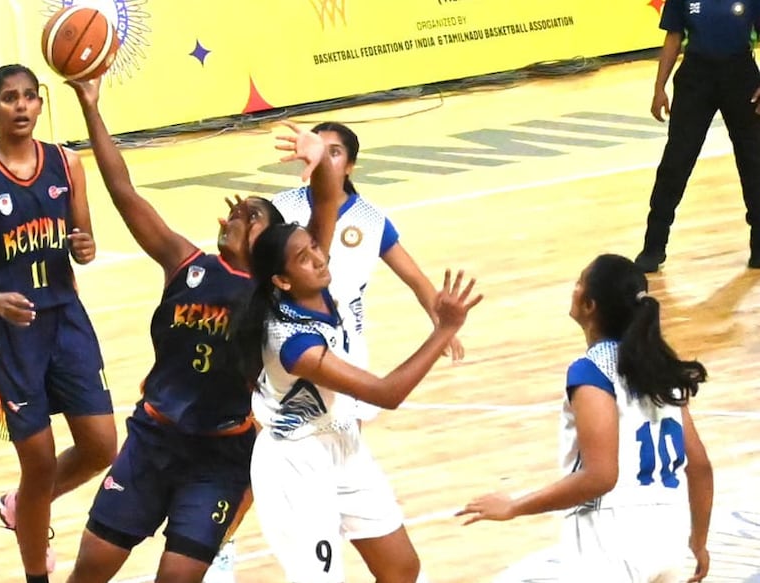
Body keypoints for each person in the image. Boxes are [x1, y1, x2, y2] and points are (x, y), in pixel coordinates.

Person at [62, 79, 343, 583]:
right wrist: (91, 106)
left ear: (271, 244)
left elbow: (322, 217)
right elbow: (122, 190)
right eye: (232, 210)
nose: (233, 215)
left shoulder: (274, 292)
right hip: (152, 440)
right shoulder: (185, 263)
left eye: (249, 214)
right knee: (89, 572)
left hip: (219, 457)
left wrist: (321, 161)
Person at [233, 175, 482, 582]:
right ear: (282, 280)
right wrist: (444, 330)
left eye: (315, 246)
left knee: (401, 567)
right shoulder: (294, 343)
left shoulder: (312, 282)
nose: (318, 257)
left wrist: (318, 160)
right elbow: (387, 394)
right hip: (295, 462)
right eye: (304, 257)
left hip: (343, 441)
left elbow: (328, 198)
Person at [0, 64, 117, 582]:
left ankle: (24, 506)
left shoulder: (67, 163)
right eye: (9, 99)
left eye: (29, 97)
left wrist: (86, 246)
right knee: (38, 463)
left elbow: (83, 243)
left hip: (64, 318)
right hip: (8, 335)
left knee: (102, 446)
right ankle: (36, 573)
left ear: (41, 104)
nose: (20, 107)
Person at [457, 254, 714, 583]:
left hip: (611, 539)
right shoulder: (660, 367)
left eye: (579, 283)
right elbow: (701, 465)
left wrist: (515, 506)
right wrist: (699, 541)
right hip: (669, 536)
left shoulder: (591, 370)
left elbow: (601, 476)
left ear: (590, 305)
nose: (573, 289)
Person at [269, 121, 464, 426]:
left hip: (345, 337)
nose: (324, 158)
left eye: (334, 152)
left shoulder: (371, 218)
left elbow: (414, 278)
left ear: (350, 166)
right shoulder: (280, 206)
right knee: (286, 423)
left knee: (348, 428)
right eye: (319, 149)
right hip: (294, 330)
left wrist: (442, 325)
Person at [635, 0, 760, 272]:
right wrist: (659, 88)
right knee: (675, 163)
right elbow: (673, 36)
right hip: (696, 76)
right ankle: (653, 247)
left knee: (754, 161)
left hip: (740, 75)